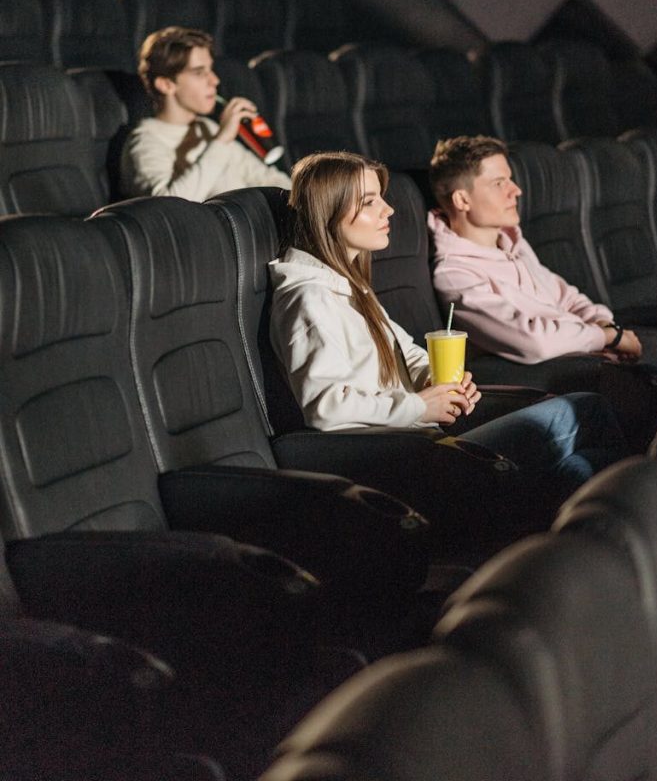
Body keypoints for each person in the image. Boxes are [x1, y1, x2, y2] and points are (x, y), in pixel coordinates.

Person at [269, 151, 625, 516]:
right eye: (370, 202)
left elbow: (403, 351)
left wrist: (439, 382)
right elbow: (325, 408)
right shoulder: (309, 298)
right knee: (584, 409)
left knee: (581, 468)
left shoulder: (348, 286)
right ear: (329, 212)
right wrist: (421, 405)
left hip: (422, 439)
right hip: (399, 460)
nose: (388, 211)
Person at [427, 135, 657, 448]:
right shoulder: (455, 274)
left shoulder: (511, 244)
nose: (516, 190)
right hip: (556, 376)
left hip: (587, 357)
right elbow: (533, 339)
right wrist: (606, 337)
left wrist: (605, 326)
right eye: (499, 183)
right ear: (462, 200)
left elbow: (567, 296)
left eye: (511, 180)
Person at [119, 26, 291, 201]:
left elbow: (266, 178)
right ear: (166, 85)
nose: (215, 81)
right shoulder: (145, 140)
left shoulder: (207, 127)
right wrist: (221, 140)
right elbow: (169, 205)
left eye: (211, 70)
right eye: (200, 73)